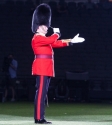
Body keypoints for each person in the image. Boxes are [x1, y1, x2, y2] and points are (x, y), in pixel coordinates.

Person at [31, 3, 85, 124]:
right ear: (38, 27)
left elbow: (57, 43)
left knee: (43, 93)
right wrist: (57, 34)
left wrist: (71, 41)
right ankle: (38, 118)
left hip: (46, 68)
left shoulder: (44, 39)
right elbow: (52, 39)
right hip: (41, 68)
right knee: (40, 94)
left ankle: (41, 117)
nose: (46, 27)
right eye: (44, 26)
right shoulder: (37, 38)